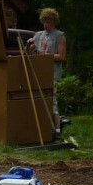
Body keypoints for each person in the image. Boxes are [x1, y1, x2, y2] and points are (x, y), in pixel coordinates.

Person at [27, 7, 67, 137]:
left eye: (48, 22)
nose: (46, 24)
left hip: (52, 74)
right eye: (44, 21)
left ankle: (57, 131)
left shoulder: (60, 36)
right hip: (37, 72)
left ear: (54, 22)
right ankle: (39, 128)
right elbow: (28, 54)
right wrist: (28, 46)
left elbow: (61, 56)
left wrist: (46, 56)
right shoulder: (38, 35)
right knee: (37, 100)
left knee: (52, 101)